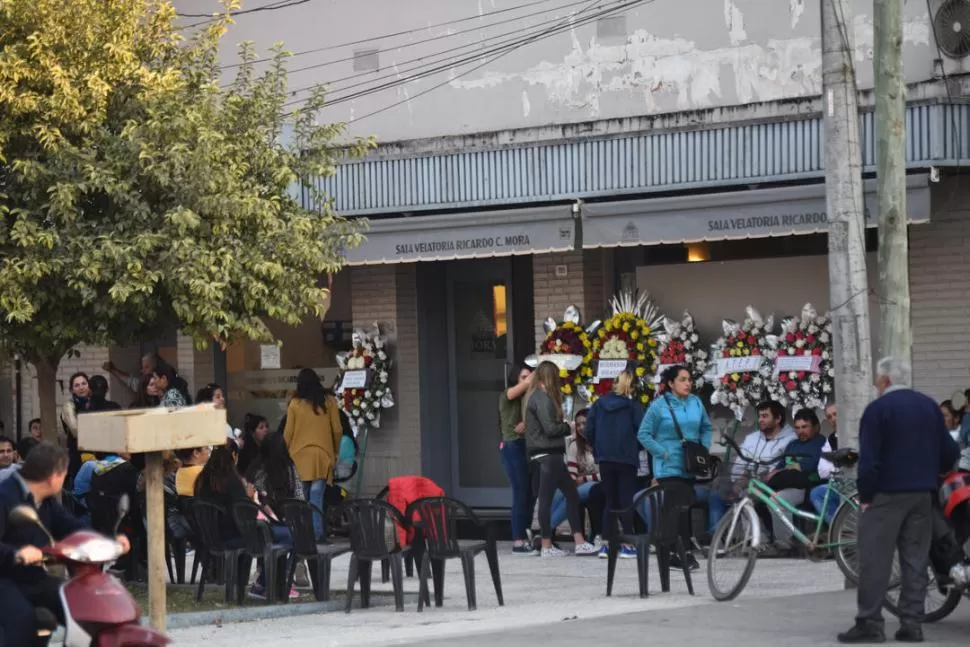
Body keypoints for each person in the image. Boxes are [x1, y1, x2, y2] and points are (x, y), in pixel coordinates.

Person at [838, 357, 960, 644]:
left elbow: (869, 462)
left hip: (886, 494)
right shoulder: (929, 406)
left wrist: (866, 496)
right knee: (915, 560)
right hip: (922, 495)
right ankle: (911, 624)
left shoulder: (878, 410)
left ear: (885, 380)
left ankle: (870, 622)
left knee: (875, 560)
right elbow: (949, 451)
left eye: (877, 381)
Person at [0, 443, 131, 647]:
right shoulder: (5, 497)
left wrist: (108, 541)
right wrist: (17, 553)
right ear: (54, 476)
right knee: (23, 622)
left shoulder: (46, 502)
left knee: (84, 608)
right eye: (64, 474)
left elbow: (74, 528)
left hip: (33, 577)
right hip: (5, 578)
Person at [637, 364, 713, 570]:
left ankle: (676, 551)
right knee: (674, 509)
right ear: (670, 383)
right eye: (682, 379)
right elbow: (643, 434)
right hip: (667, 466)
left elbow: (706, 427)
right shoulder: (658, 406)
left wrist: (703, 449)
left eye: (689, 379)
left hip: (689, 464)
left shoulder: (696, 402)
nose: (688, 383)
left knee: (684, 507)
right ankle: (678, 552)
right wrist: (663, 452)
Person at [525, 361, 597, 557]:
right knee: (551, 500)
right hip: (548, 456)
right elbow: (550, 429)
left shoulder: (535, 397)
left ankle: (575, 542)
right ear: (550, 377)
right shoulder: (542, 398)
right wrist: (568, 426)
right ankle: (549, 544)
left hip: (547, 457)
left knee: (569, 496)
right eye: (556, 376)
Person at [706, 400, 797, 535]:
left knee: (745, 498)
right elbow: (740, 461)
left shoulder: (790, 439)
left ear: (778, 419)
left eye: (765, 416)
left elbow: (776, 467)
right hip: (746, 481)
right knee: (717, 490)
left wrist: (744, 483)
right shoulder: (752, 438)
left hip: (769, 484)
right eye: (759, 416)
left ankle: (758, 541)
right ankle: (716, 537)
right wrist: (737, 480)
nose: (760, 420)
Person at [585, 372, 644, 559]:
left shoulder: (599, 404)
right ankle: (627, 543)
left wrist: (598, 448)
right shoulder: (633, 407)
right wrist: (635, 447)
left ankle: (606, 543)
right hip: (627, 458)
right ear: (631, 387)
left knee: (610, 501)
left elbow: (588, 430)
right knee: (626, 501)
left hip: (605, 459)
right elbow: (643, 432)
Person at [760, 409, 833, 555]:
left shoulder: (820, 442)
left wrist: (788, 469)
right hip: (787, 484)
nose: (801, 431)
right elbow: (781, 465)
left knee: (777, 501)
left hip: (807, 487)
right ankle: (761, 542)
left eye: (805, 427)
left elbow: (811, 466)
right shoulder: (793, 445)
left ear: (816, 427)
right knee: (755, 498)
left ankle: (785, 544)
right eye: (798, 428)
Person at [283, 368, 342, 540]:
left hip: (298, 458)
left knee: (301, 499)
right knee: (316, 497)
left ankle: (302, 533)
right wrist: (335, 450)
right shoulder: (329, 401)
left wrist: (283, 454)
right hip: (322, 457)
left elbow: (288, 433)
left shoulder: (294, 404)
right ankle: (317, 534)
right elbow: (337, 430)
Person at [548, 408, 601, 548]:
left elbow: (607, 474)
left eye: (585, 423)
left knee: (572, 494)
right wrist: (571, 481)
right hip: (580, 484)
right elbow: (572, 473)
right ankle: (548, 533)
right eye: (578, 425)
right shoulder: (574, 445)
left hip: (600, 484)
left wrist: (584, 479)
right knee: (558, 492)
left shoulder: (602, 444)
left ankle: (545, 531)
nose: (581, 427)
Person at [498, 363, 534, 554]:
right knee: (520, 492)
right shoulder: (507, 395)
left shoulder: (528, 399)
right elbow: (515, 391)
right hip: (512, 446)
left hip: (527, 446)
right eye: (523, 377)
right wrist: (534, 376)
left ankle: (526, 535)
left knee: (530, 493)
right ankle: (518, 540)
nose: (527, 381)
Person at [60, 372, 91, 477]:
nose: (81, 387)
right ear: (72, 390)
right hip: (78, 453)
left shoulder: (94, 403)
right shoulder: (68, 406)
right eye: (77, 385)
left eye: (84, 383)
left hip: (97, 454)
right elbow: (76, 430)